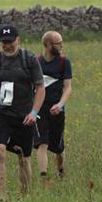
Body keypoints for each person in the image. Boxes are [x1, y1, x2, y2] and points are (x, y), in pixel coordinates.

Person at [0, 25, 44, 199]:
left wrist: (34, 112)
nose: (7, 45)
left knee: (23, 156)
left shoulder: (29, 59)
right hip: (2, 114)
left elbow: (40, 87)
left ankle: (25, 195)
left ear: (18, 40)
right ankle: (1, 196)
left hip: (24, 116)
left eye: (11, 41)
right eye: (4, 42)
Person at [35, 31, 73, 178]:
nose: (62, 45)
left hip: (57, 109)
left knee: (57, 146)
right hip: (39, 109)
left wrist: (60, 104)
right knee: (42, 143)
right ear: (48, 45)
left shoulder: (64, 62)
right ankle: (43, 177)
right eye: (58, 43)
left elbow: (68, 87)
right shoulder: (37, 62)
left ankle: (61, 171)